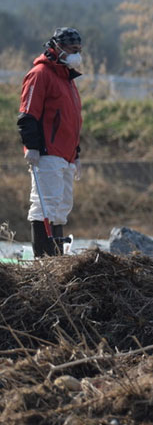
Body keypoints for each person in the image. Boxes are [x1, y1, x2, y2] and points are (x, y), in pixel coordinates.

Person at [17, 27, 84, 257]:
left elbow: (72, 122)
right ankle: (43, 259)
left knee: (60, 208)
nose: (77, 54)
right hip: (47, 152)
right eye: (72, 50)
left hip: (65, 155)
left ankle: (56, 257)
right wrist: (33, 147)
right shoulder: (40, 74)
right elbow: (27, 115)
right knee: (44, 205)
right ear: (57, 48)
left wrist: (76, 155)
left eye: (79, 50)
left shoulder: (67, 80)